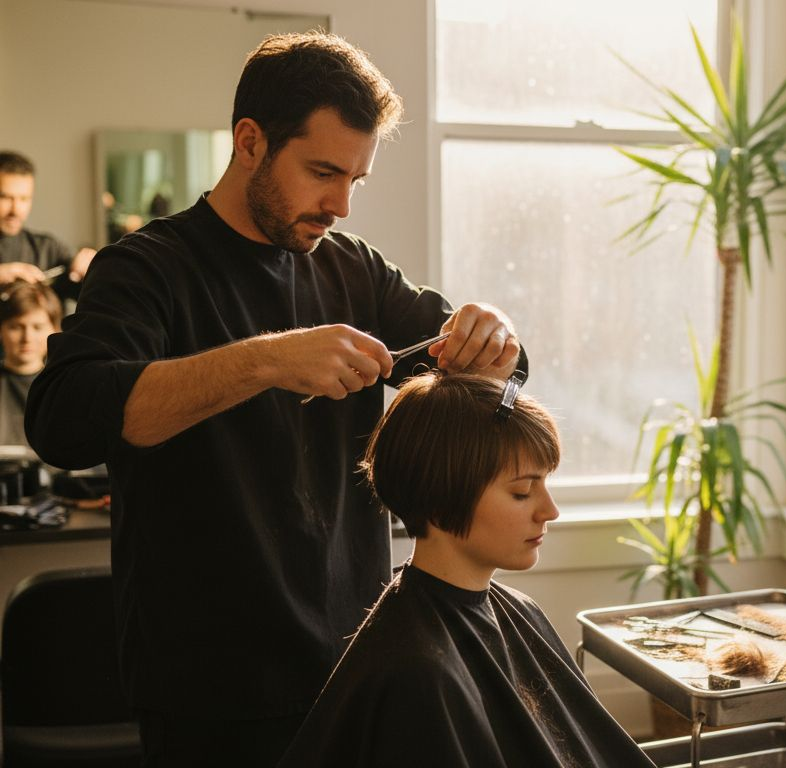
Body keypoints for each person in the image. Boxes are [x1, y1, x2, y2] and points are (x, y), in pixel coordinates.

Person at [25, 32, 522, 767]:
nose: (342, 204)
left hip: (357, 658)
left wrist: (496, 341)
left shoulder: (354, 270)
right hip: (210, 691)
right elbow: (63, 419)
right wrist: (265, 361)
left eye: (357, 179)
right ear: (250, 142)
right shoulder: (148, 269)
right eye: (324, 171)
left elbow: (495, 375)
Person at [278, 373, 655, 767]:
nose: (550, 511)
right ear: (440, 500)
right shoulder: (418, 673)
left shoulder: (518, 609)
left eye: (545, 484)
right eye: (522, 492)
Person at [0, 151, 95, 304]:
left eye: (24, 199)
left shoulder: (49, 249)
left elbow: (98, 298)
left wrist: (96, 269)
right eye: (4, 197)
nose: (16, 210)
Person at [0, 280, 60, 446]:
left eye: (38, 327)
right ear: (1, 330)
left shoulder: (66, 388)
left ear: (55, 330)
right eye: (16, 327)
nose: (27, 338)